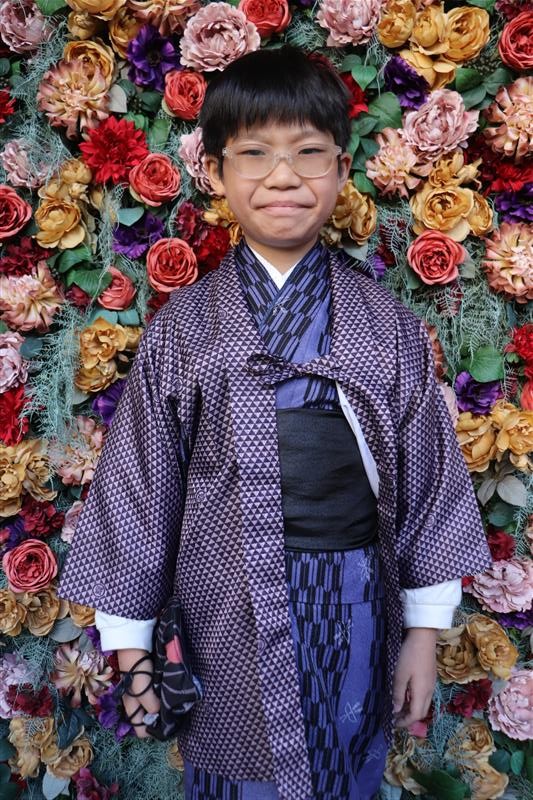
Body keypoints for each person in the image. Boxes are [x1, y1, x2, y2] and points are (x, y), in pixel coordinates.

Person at [58, 46, 493, 800]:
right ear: (215, 171)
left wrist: (423, 633)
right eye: (254, 153)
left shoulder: (384, 325)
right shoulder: (185, 328)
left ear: (342, 169)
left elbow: (428, 483)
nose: (283, 176)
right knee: (236, 772)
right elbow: (138, 490)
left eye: (308, 153)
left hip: (353, 599)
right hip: (223, 604)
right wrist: (132, 653)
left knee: (344, 762)